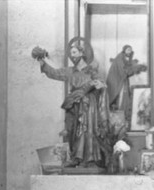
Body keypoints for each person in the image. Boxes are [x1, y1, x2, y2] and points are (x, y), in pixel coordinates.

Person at [32, 37, 108, 168]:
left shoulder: (91, 71)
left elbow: (102, 84)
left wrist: (98, 85)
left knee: (86, 130)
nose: (72, 56)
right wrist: (41, 61)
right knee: (72, 131)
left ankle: (89, 159)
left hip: (87, 105)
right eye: (70, 53)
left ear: (82, 53)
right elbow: (55, 73)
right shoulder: (70, 71)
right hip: (72, 104)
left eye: (74, 53)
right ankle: (75, 157)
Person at [106, 45, 147, 124]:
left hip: (123, 81)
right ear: (124, 50)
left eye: (130, 50)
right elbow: (125, 71)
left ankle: (124, 117)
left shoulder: (126, 59)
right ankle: (120, 118)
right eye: (128, 50)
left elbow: (128, 70)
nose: (129, 52)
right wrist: (136, 68)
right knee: (120, 97)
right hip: (117, 82)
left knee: (125, 97)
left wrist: (136, 67)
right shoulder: (120, 58)